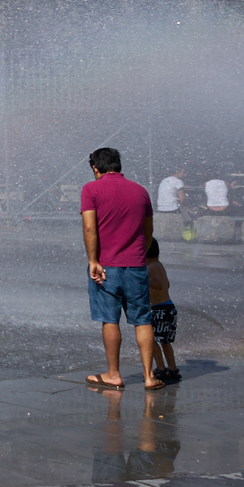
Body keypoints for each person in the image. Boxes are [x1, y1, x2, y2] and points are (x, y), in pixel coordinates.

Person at [80, 146, 162, 391]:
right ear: (118, 165)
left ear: (96, 168)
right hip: (136, 265)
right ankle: (149, 376)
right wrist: (138, 254)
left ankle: (114, 374)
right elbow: (148, 232)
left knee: (109, 319)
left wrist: (93, 260)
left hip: (106, 265)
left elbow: (89, 229)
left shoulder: (91, 189)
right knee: (143, 320)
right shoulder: (140, 191)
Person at [146, 237, 180, 384]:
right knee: (165, 341)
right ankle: (172, 369)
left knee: (149, 339)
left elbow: (159, 285)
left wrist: (142, 280)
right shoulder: (159, 265)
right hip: (168, 306)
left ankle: (160, 368)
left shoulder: (151, 266)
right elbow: (167, 284)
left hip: (159, 309)